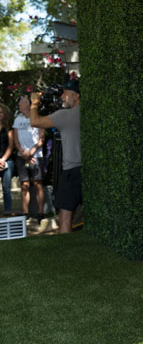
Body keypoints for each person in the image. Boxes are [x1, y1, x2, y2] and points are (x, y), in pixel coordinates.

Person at [30, 80, 81, 234]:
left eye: (66, 94)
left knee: (65, 214)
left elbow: (35, 121)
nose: (62, 97)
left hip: (72, 171)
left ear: (76, 96)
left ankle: (65, 246)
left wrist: (34, 104)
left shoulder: (66, 115)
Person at [13, 96, 46, 222]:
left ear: (28, 105)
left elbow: (41, 139)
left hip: (36, 156)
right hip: (22, 157)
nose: (19, 105)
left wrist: (31, 153)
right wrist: (22, 152)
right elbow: (15, 139)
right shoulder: (17, 119)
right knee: (24, 185)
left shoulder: (38, 118)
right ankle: (25, 213)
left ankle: (40, 213)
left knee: (38, 184)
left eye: (21, 103)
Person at [0, 103, 14, 212]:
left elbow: (11, 146)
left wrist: (3, 159)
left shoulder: (9, 128)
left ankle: (8, 212)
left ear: (4, 114)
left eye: (1, 112)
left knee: (6, 189)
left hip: (7, 161)